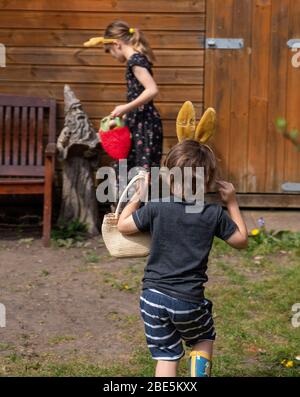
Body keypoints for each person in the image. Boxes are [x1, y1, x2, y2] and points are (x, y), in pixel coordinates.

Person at [117, 140, 248, 377]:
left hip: (152, 299)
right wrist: (231, 202)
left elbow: (123, 225)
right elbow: (241, 241)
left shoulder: (156, 208)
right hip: (188, 300)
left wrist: (138, 195)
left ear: (168, 176)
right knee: (203, 338)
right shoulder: (213, 213)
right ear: (208, 182)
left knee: (166, 355)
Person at [103, 20, 163, 203]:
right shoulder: (137, 59)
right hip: (139, 122)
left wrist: (124, 108)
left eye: (110, 51)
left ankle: (138, 219)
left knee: (140, 172)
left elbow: (152, 89)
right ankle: (131, 217)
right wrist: (125, 116)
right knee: (133, 170)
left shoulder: (135, 60)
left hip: (145, 126)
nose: (113, 56)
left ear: (116, 44)